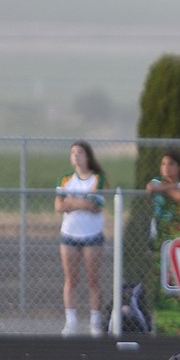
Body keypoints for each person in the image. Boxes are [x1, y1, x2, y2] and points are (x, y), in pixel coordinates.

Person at [55, 140, 108, 337]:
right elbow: (59, 206)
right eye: (73, 153)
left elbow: (95, 205)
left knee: (93, 279)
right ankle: (71, 322)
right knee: (71, 279)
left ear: (88, 156)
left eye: (80, 153)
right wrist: (80, 202)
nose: (76, 156)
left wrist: (72, 202)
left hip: (91, 234)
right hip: (69, 234)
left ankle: (95, 321)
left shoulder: (97, 178)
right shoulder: (66, 179)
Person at [146, 149, 180, 245]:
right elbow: (150, 187)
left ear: (179, 167)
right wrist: (174, 186)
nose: (166, 167)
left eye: (171, 164)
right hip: (160, 231)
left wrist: (163, 188)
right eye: (163, 164)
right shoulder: (157, 180)